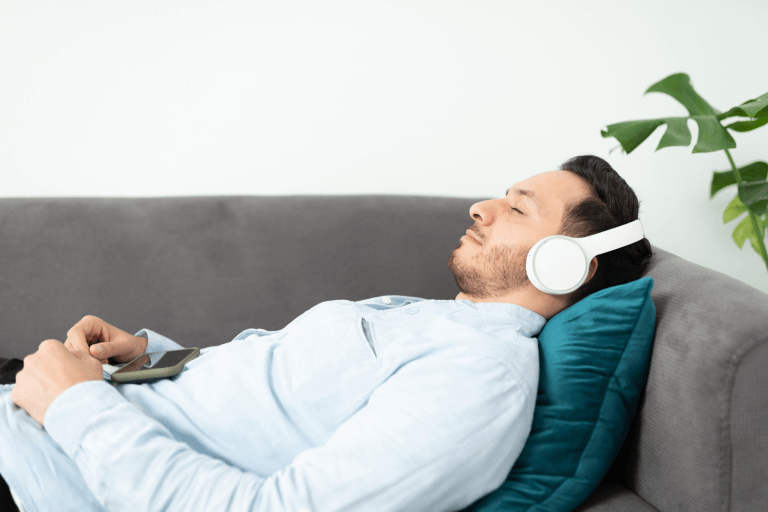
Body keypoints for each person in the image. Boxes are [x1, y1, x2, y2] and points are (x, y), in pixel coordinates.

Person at [0, 155, 653, 512]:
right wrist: (152, 357)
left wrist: (76, 406)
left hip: (29, 471)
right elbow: (272, 398)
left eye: (516, 208)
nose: (480, 207)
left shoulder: (480, 378)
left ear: (566, 263)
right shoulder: (431, 319)